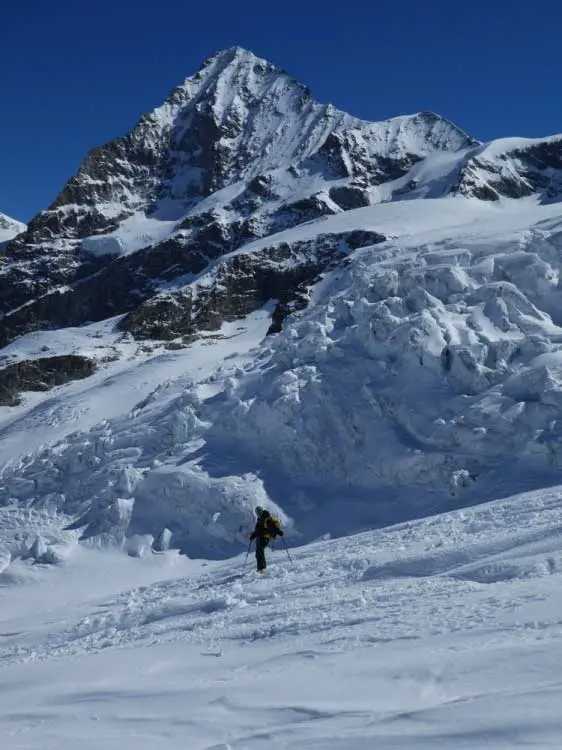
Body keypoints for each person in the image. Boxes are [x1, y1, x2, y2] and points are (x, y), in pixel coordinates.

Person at [249, 506, 283, 573]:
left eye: (259, 512)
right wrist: (253, 535)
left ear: (261, 511)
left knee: (259, 553)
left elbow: (272, 527)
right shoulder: (259, 519)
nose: (258, 513)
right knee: (258, 553)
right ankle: (262, 568)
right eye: (257, 512)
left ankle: (261, 569)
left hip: (264, 537)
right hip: (260, 537)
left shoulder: (266, 518)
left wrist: (278, 531)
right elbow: (258, 530)